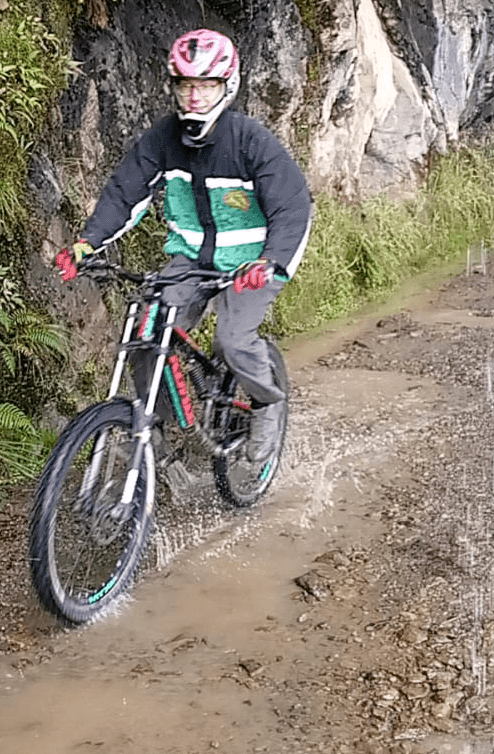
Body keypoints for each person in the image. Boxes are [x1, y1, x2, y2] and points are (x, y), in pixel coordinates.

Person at [55, 28, 313, 462]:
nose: (195, 97)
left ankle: (267, 404)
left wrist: (271, 261)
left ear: (226, 86)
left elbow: (292, 207)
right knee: (145, 329)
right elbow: (124, 195)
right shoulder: (161, 140)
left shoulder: (250, 142)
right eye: (186, 85)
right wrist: (86, 245)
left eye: (206, 85)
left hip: (250, 264)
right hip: (191, 261)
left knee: (232, 342)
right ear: (174, 87)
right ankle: (159, 429)